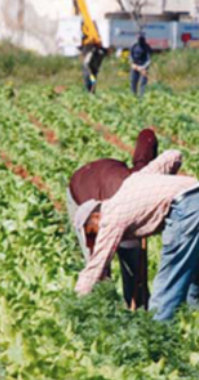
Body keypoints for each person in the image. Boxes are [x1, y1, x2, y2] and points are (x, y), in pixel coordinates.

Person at [74, 150, 199, 321]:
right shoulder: (134, 181)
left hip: (187, 209)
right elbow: (173, 155)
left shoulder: (109, 216)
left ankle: (157, 336)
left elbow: (96, 266)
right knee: (197, 276)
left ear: (95, 217)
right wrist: (165, 187)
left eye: (92, 230)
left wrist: (77, 302)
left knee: (169, 282)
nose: (96, 234)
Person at [67, 129, 158, 309]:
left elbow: (146, 140)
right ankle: (103, 308)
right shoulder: (94, 211)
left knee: (134, 262)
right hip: (86, 200)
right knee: (98, 264)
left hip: (114, 197)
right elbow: (95, 245)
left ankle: (139, 307)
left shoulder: (143, 183)